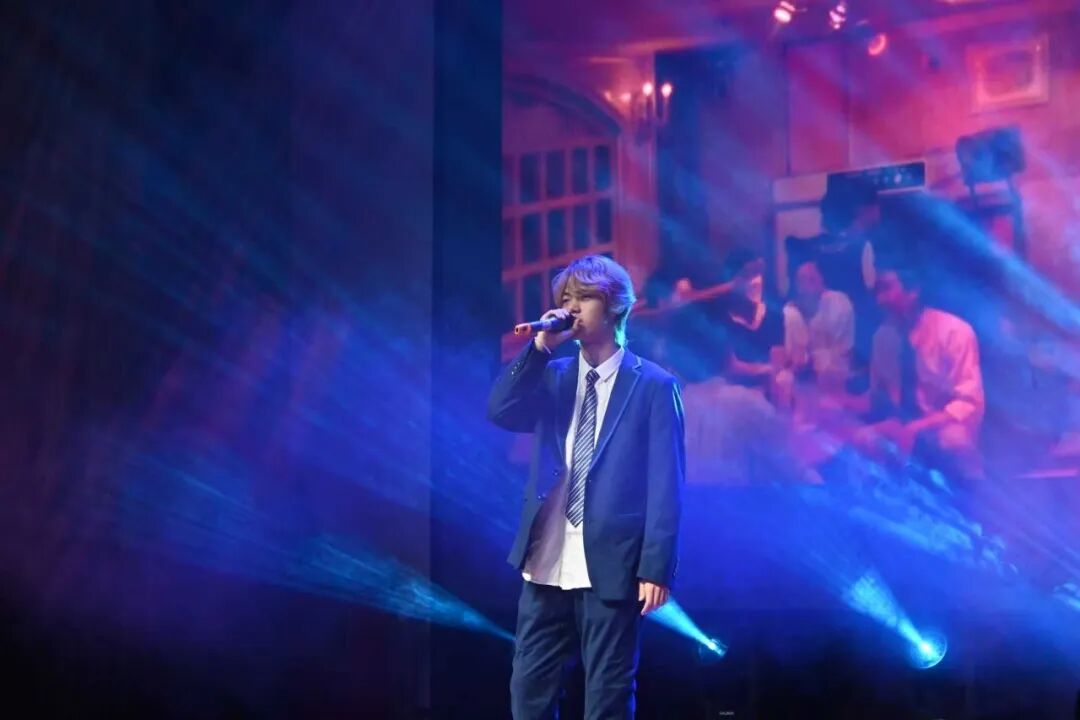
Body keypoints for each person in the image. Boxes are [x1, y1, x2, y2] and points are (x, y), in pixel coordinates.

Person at [488, 255, 685, 719]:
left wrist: (656, 567)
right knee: (529, 689)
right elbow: (501, 411)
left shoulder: (654, 386)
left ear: (616, 306)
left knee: (607, 694)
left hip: (613, 560)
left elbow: (667, 484)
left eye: (584, 298)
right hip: (547, 556)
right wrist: (539, 347)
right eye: (566, 299)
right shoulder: (552, 374)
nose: (571, 308)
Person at [852, 261, 985, 481]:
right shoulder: (883, 337)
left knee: (954, 441)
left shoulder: (954, 332)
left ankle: (971, 491)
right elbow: (880, 395)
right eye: (878, 292)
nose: (881, 300)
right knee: (863, 439)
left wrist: (918, 427)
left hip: (941, 425)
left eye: (887, 289)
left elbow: (969, 401)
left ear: (912, 290)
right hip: (903, 423)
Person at [783, 258, 855, 382]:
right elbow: (794, 355)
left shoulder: (839, 302)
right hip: (803, 376)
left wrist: (813, 359)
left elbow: (843, 348)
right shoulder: (791, 310)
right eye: (801, 280)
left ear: (821, 279)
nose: (806, 284)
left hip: (836, 375)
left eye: (811, 279)